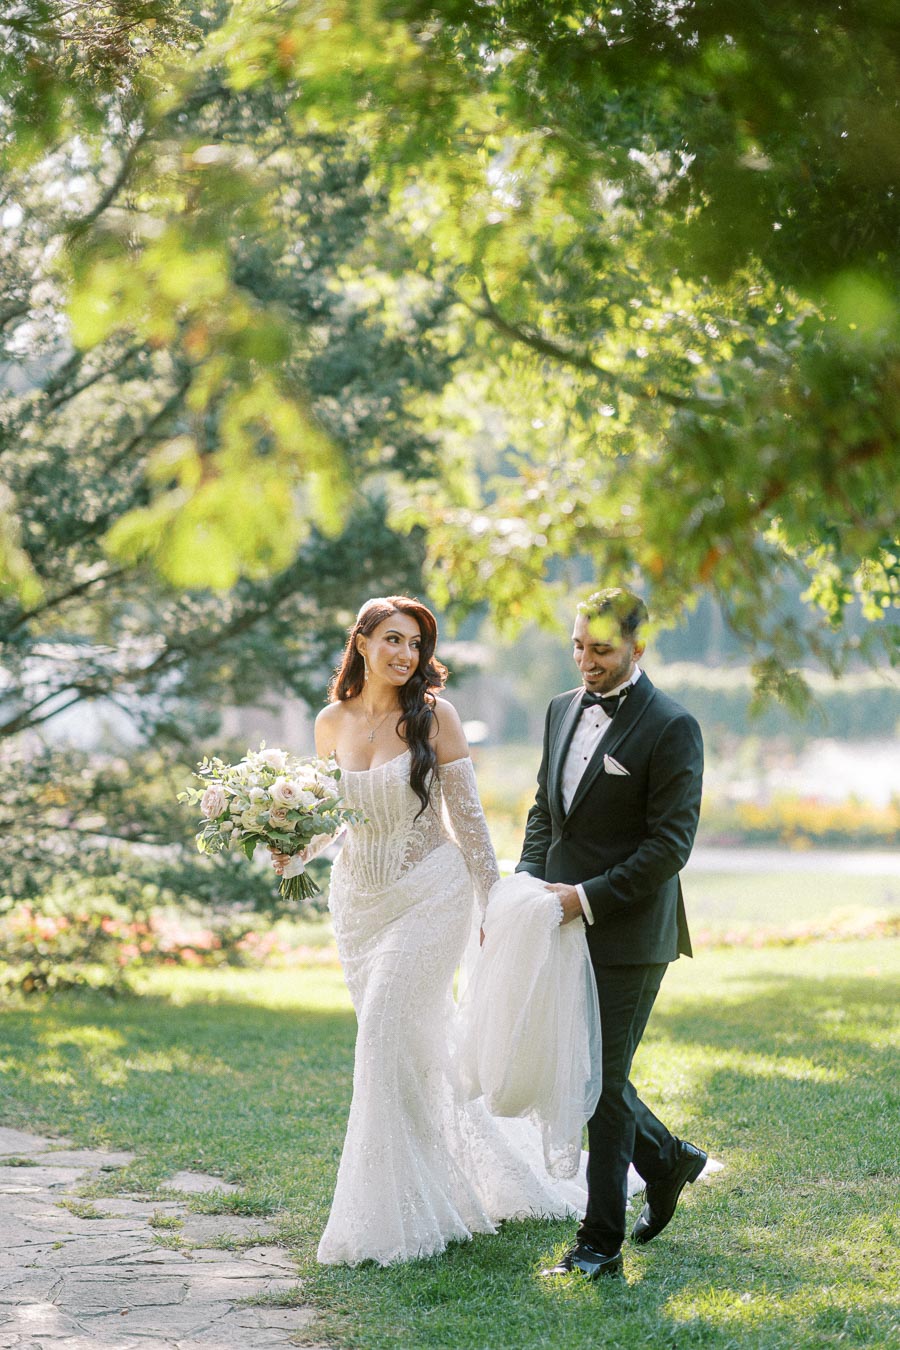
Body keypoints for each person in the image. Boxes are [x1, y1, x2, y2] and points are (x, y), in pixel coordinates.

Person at [273, 595, 584, 1266]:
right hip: (358, 905)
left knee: (382, 1036)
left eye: (415, 643)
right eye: (392, 639)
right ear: (362, 642)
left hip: (431, 895)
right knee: (407, 1051)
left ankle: (391, 1217)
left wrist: (491, 905)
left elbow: (468, 820)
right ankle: (439, 1183)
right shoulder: (330, 723)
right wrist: (293, 851)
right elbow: (333, 818)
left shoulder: (435, 717)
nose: (405, 654)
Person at [517, 587, 709, 1280]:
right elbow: (546, 811)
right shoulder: (559, 709)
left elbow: (669, 846)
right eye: (577, 646)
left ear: (637, 647)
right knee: (585, 1072)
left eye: (600, 650)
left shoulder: (672, 725)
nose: (585, 661)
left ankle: (598, 1243)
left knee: (599, 1081)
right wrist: (525, 886)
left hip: (630, 934)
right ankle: (669, 1159)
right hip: (556, 920)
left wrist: (587, 899)